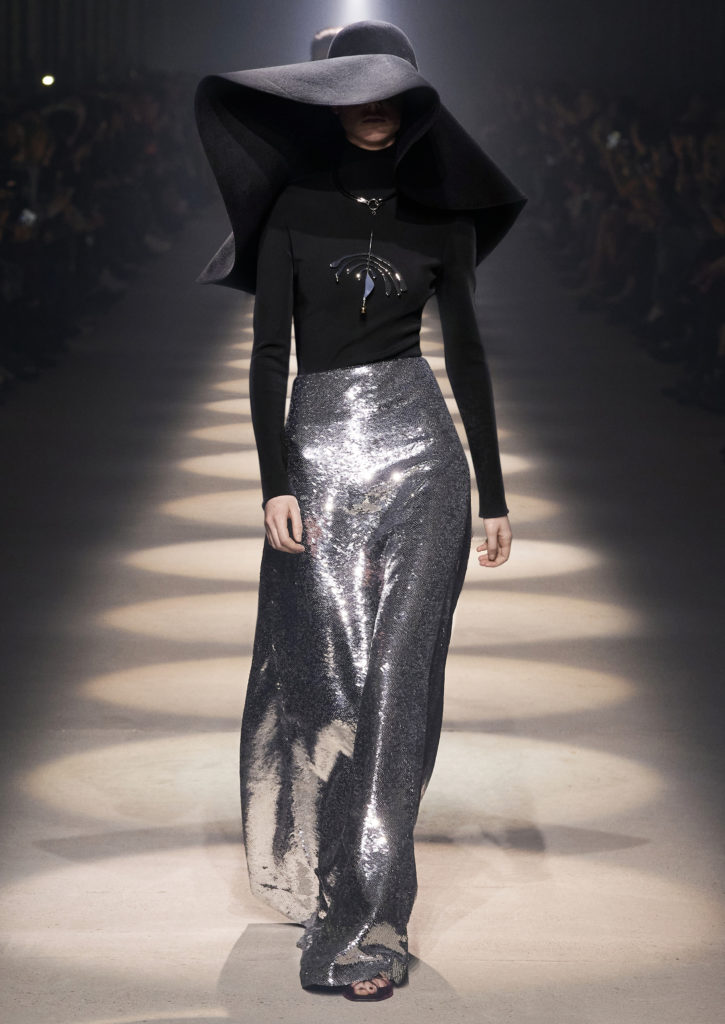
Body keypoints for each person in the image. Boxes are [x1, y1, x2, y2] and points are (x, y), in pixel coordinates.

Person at [194, 20, 527, 1002]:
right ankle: (330, 869)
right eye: (353, 92)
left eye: (387, 93)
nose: (371, 109)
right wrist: (273, 480)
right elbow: (268, 356)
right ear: (328, 102)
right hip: (318, 454)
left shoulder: (441, 215)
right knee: (330, 687)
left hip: (424, 458)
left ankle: (371, 918)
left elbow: (466, 355)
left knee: (398, 687)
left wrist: (492, 491)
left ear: (412, 104)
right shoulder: (292, 210)